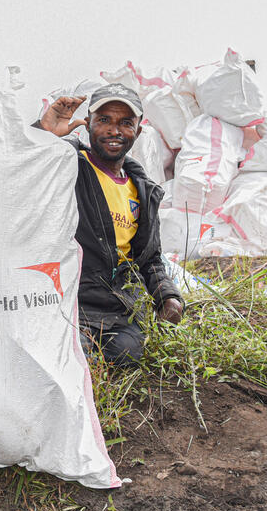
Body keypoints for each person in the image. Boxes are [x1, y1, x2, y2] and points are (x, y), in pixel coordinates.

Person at [35, 84, 184, 366]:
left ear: (138, 131)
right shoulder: (68, 163)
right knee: (73, 364)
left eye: (125, 123)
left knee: (129, 356)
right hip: (68, 302)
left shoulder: (143, 191)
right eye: (103, 120)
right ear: (88, 123)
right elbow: (19, 166)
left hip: (116, 308)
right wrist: (42, 134)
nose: (114, 130)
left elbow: (150, 257)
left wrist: (168, 297)